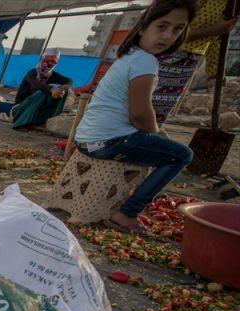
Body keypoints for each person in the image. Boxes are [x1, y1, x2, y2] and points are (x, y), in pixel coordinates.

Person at [74, 0, 195, 235]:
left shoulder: (129, 56)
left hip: (87, 138)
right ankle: (128, 212)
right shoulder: (144, 61)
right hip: (108, 141)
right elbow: (140, 114)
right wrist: (158, 132)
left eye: (178, 29)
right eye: (162, 27)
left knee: (163, 147)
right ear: (142, 28)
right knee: (181, 155)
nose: (169, 36)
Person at [11, 49, 72, 129]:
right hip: (20, 109)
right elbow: (36, 85)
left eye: (54, 62)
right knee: (41, 93)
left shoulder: (51, 75)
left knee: (63, 92)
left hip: (35, 109)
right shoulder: (32, 73)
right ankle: (21, 123)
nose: (51, 64)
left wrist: (62, 89)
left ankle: (42, 121)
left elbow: (68, 81)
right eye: (49, 61)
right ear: (43, 59)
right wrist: (51, 89)